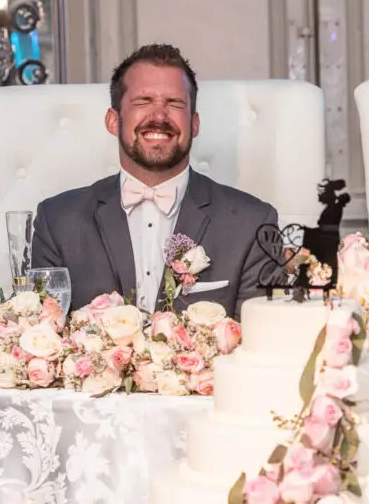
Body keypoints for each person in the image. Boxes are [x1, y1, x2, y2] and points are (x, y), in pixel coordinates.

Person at [30, 44, 279, 319]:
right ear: (113, 121)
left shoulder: (252, 223)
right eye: (143, 102)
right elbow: (44, 334)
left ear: (194, 124)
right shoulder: (57, 221)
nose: (159, 117)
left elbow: (261, 344)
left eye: (174, 104)